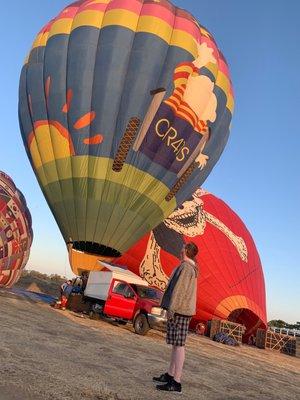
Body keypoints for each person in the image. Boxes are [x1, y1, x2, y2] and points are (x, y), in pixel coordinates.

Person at [153, 242, 199, 394]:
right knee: (175, 344)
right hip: (180, 310)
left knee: (179, 345)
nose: (180, 250)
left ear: (186, 251)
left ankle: (176, 382)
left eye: (182, 248)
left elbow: (179, 291)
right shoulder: (187, 266)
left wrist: (172, 309)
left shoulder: (186, 268)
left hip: (180, 311)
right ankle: (170, 375)